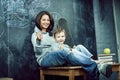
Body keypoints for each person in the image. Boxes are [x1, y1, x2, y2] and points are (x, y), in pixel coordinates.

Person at [31, 11, 99, 80]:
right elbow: (37, 50)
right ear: (39, 20)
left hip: (58, 55)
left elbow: (60, 46)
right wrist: (38, 40)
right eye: (43, 20)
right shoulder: (35, 34)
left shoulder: (51, 35)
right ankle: (94, 65)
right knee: (65, 51)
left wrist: (71, 49)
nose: (46, 22)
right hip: (44, 59)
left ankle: (92, 61)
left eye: (48, 20)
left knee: (79, 47)